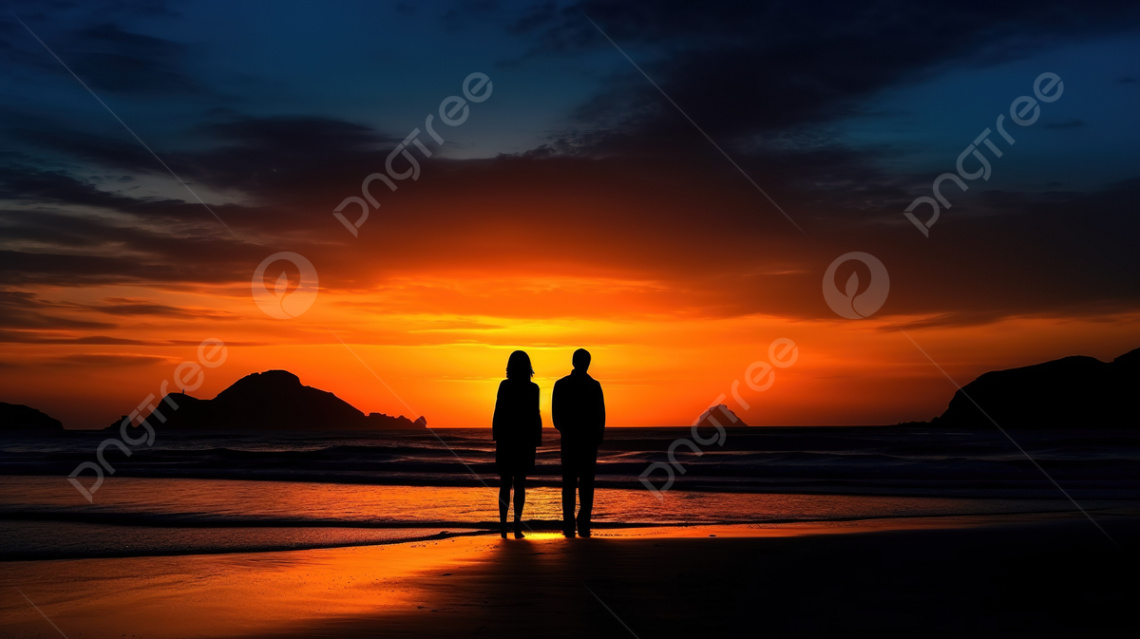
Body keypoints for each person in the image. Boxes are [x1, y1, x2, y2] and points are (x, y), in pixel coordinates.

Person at [552, 348, 605, 538]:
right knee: (581, 484)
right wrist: (595, 436)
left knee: (576, 484)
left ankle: (576, 522)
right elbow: (600, 416)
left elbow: (600, 415)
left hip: (577, 442)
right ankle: (577, 522)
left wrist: (594, 436)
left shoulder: (567, 385)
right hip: (579, 441)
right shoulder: (590, 386)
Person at [492, 350, 542, 539]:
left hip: (508, 439)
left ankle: (505, 525)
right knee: (519, 484)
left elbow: (498, 412)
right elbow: (535, 415)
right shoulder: (532, 388)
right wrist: (537, 438)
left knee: (506, 484)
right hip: (524, 440)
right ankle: (516, 526)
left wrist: (496, 434)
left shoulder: (505, 386)